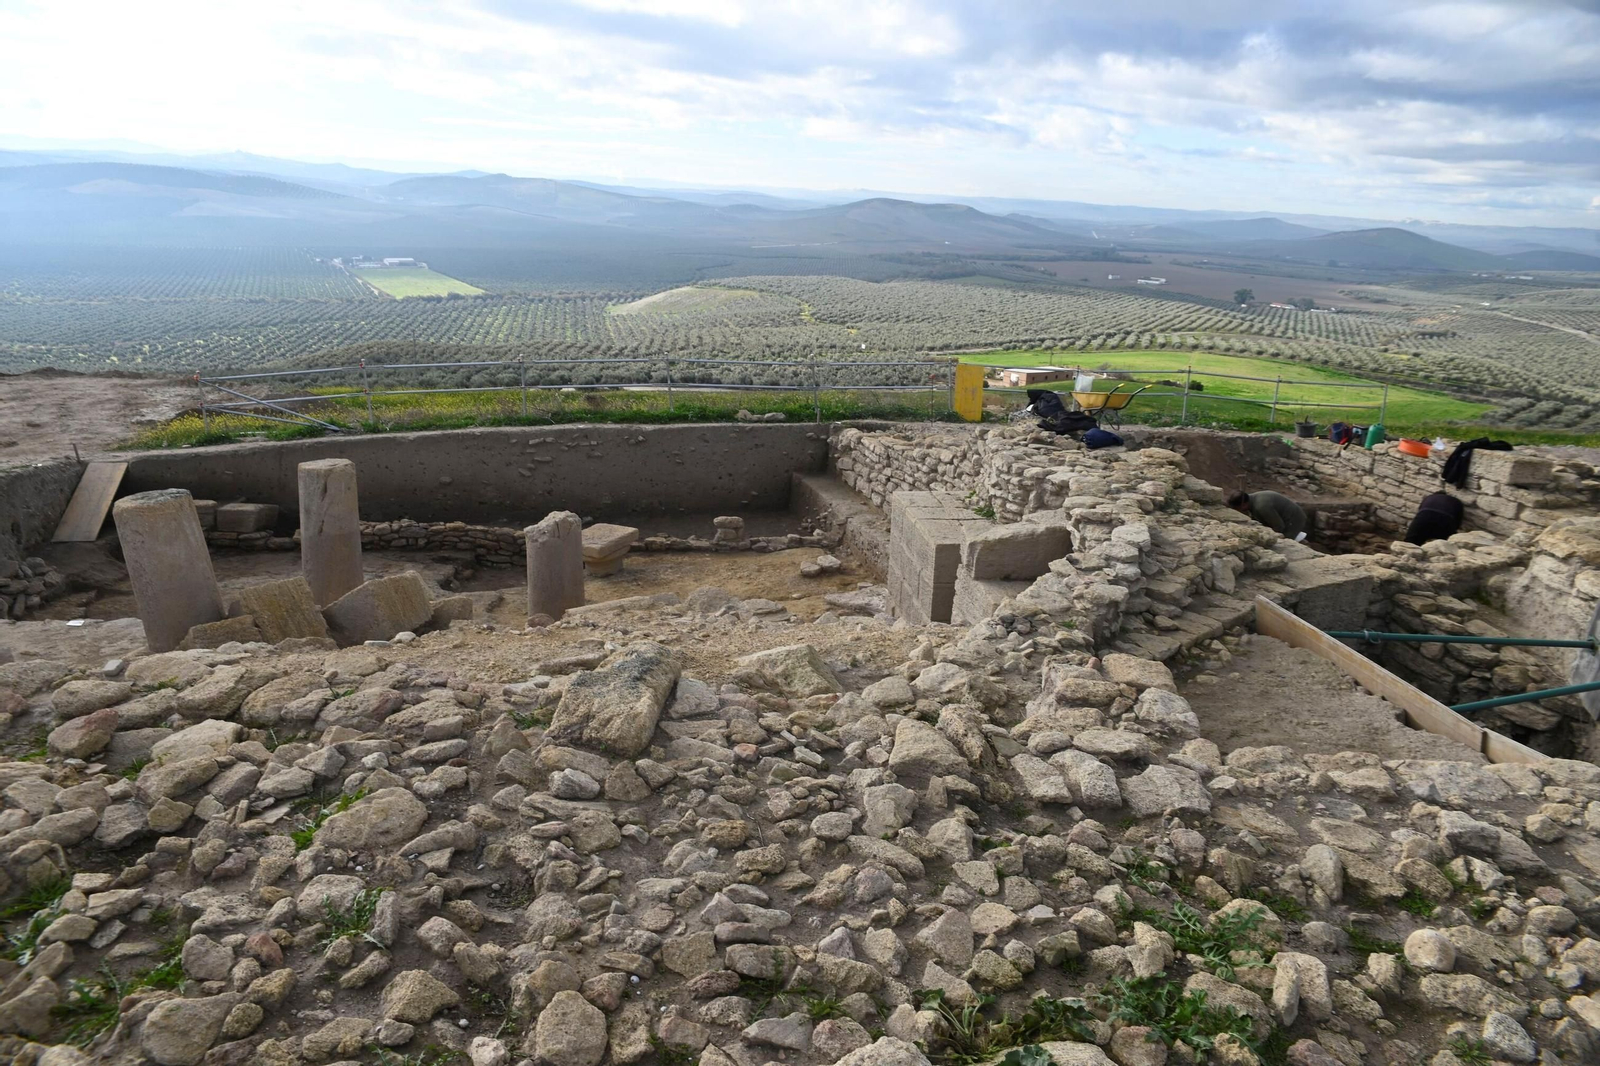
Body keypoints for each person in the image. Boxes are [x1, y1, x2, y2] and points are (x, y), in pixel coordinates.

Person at [1228, 490, 1307, 541]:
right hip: (1282, 517)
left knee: (1284, 542)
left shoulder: (1262, 506)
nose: (1238, 511)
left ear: (1244, 504)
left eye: (1237, 508)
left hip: (1293, 519)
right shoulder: (1250, 499)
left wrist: (1268, 537)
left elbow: (1279, 526)